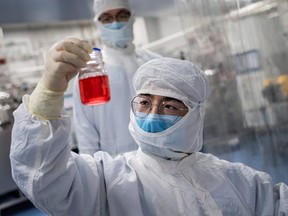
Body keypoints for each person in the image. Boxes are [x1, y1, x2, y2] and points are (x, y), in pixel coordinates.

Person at [10, 39, 288, 216]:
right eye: (144, 102)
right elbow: (45, 179)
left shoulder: (240, 180)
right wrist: (48, 92)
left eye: (169, 106)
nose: (153, 113)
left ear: (194, 116)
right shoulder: (107, 180)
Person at [72, 0, 161, 156]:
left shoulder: (155, 63)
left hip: (159, 158)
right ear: (98, 23)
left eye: (122, 15)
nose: (115, 23)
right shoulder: (90, 71)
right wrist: (93, 173)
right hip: (114, 166)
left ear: (132, 17)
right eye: (107, 18)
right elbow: (85, 129)